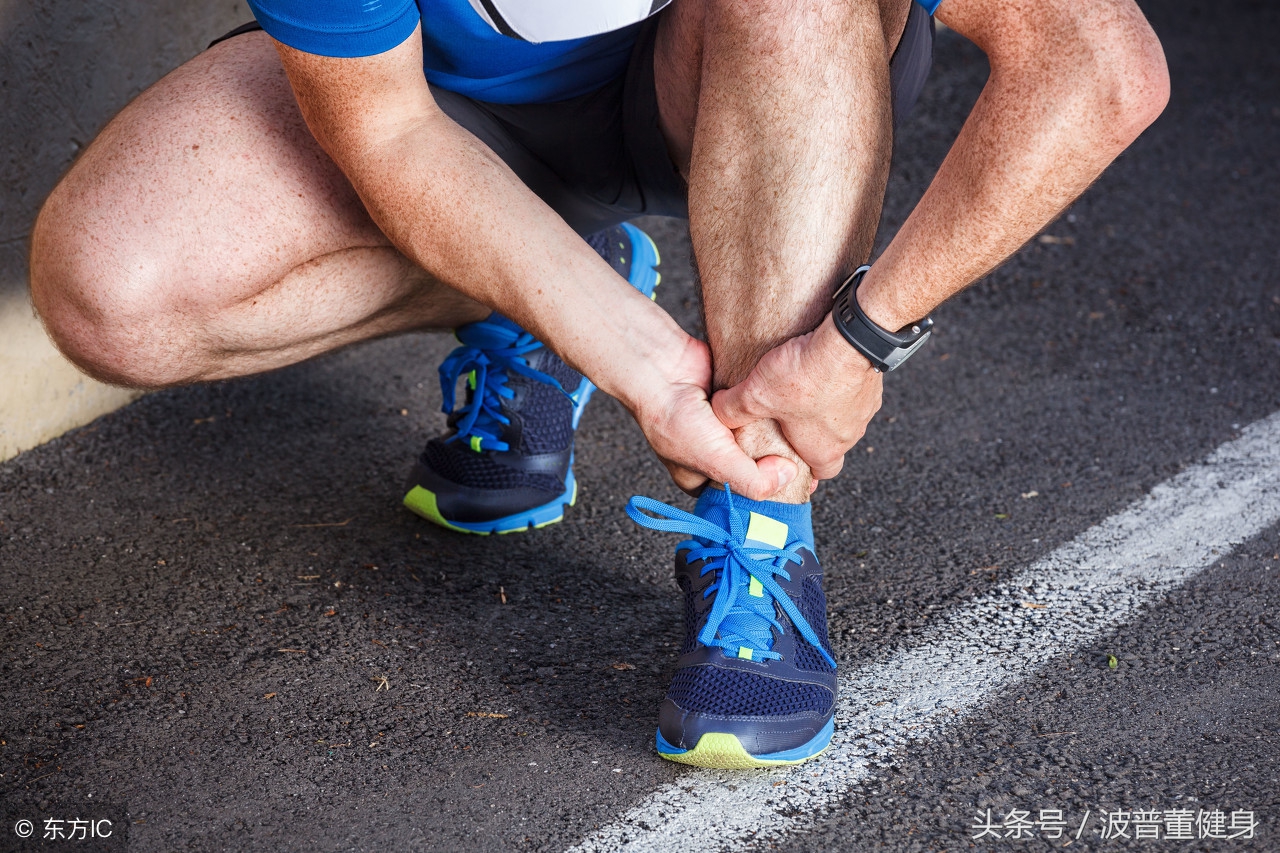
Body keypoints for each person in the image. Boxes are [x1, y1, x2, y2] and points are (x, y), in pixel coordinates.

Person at [28, 0, 1168, 768]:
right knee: (110, 291)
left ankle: (758, 515)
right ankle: (536, 294)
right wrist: (620, 346)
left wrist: (853, 343)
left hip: (754, 78)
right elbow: (383, 129)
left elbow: (1099, 69)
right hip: (458, 116)